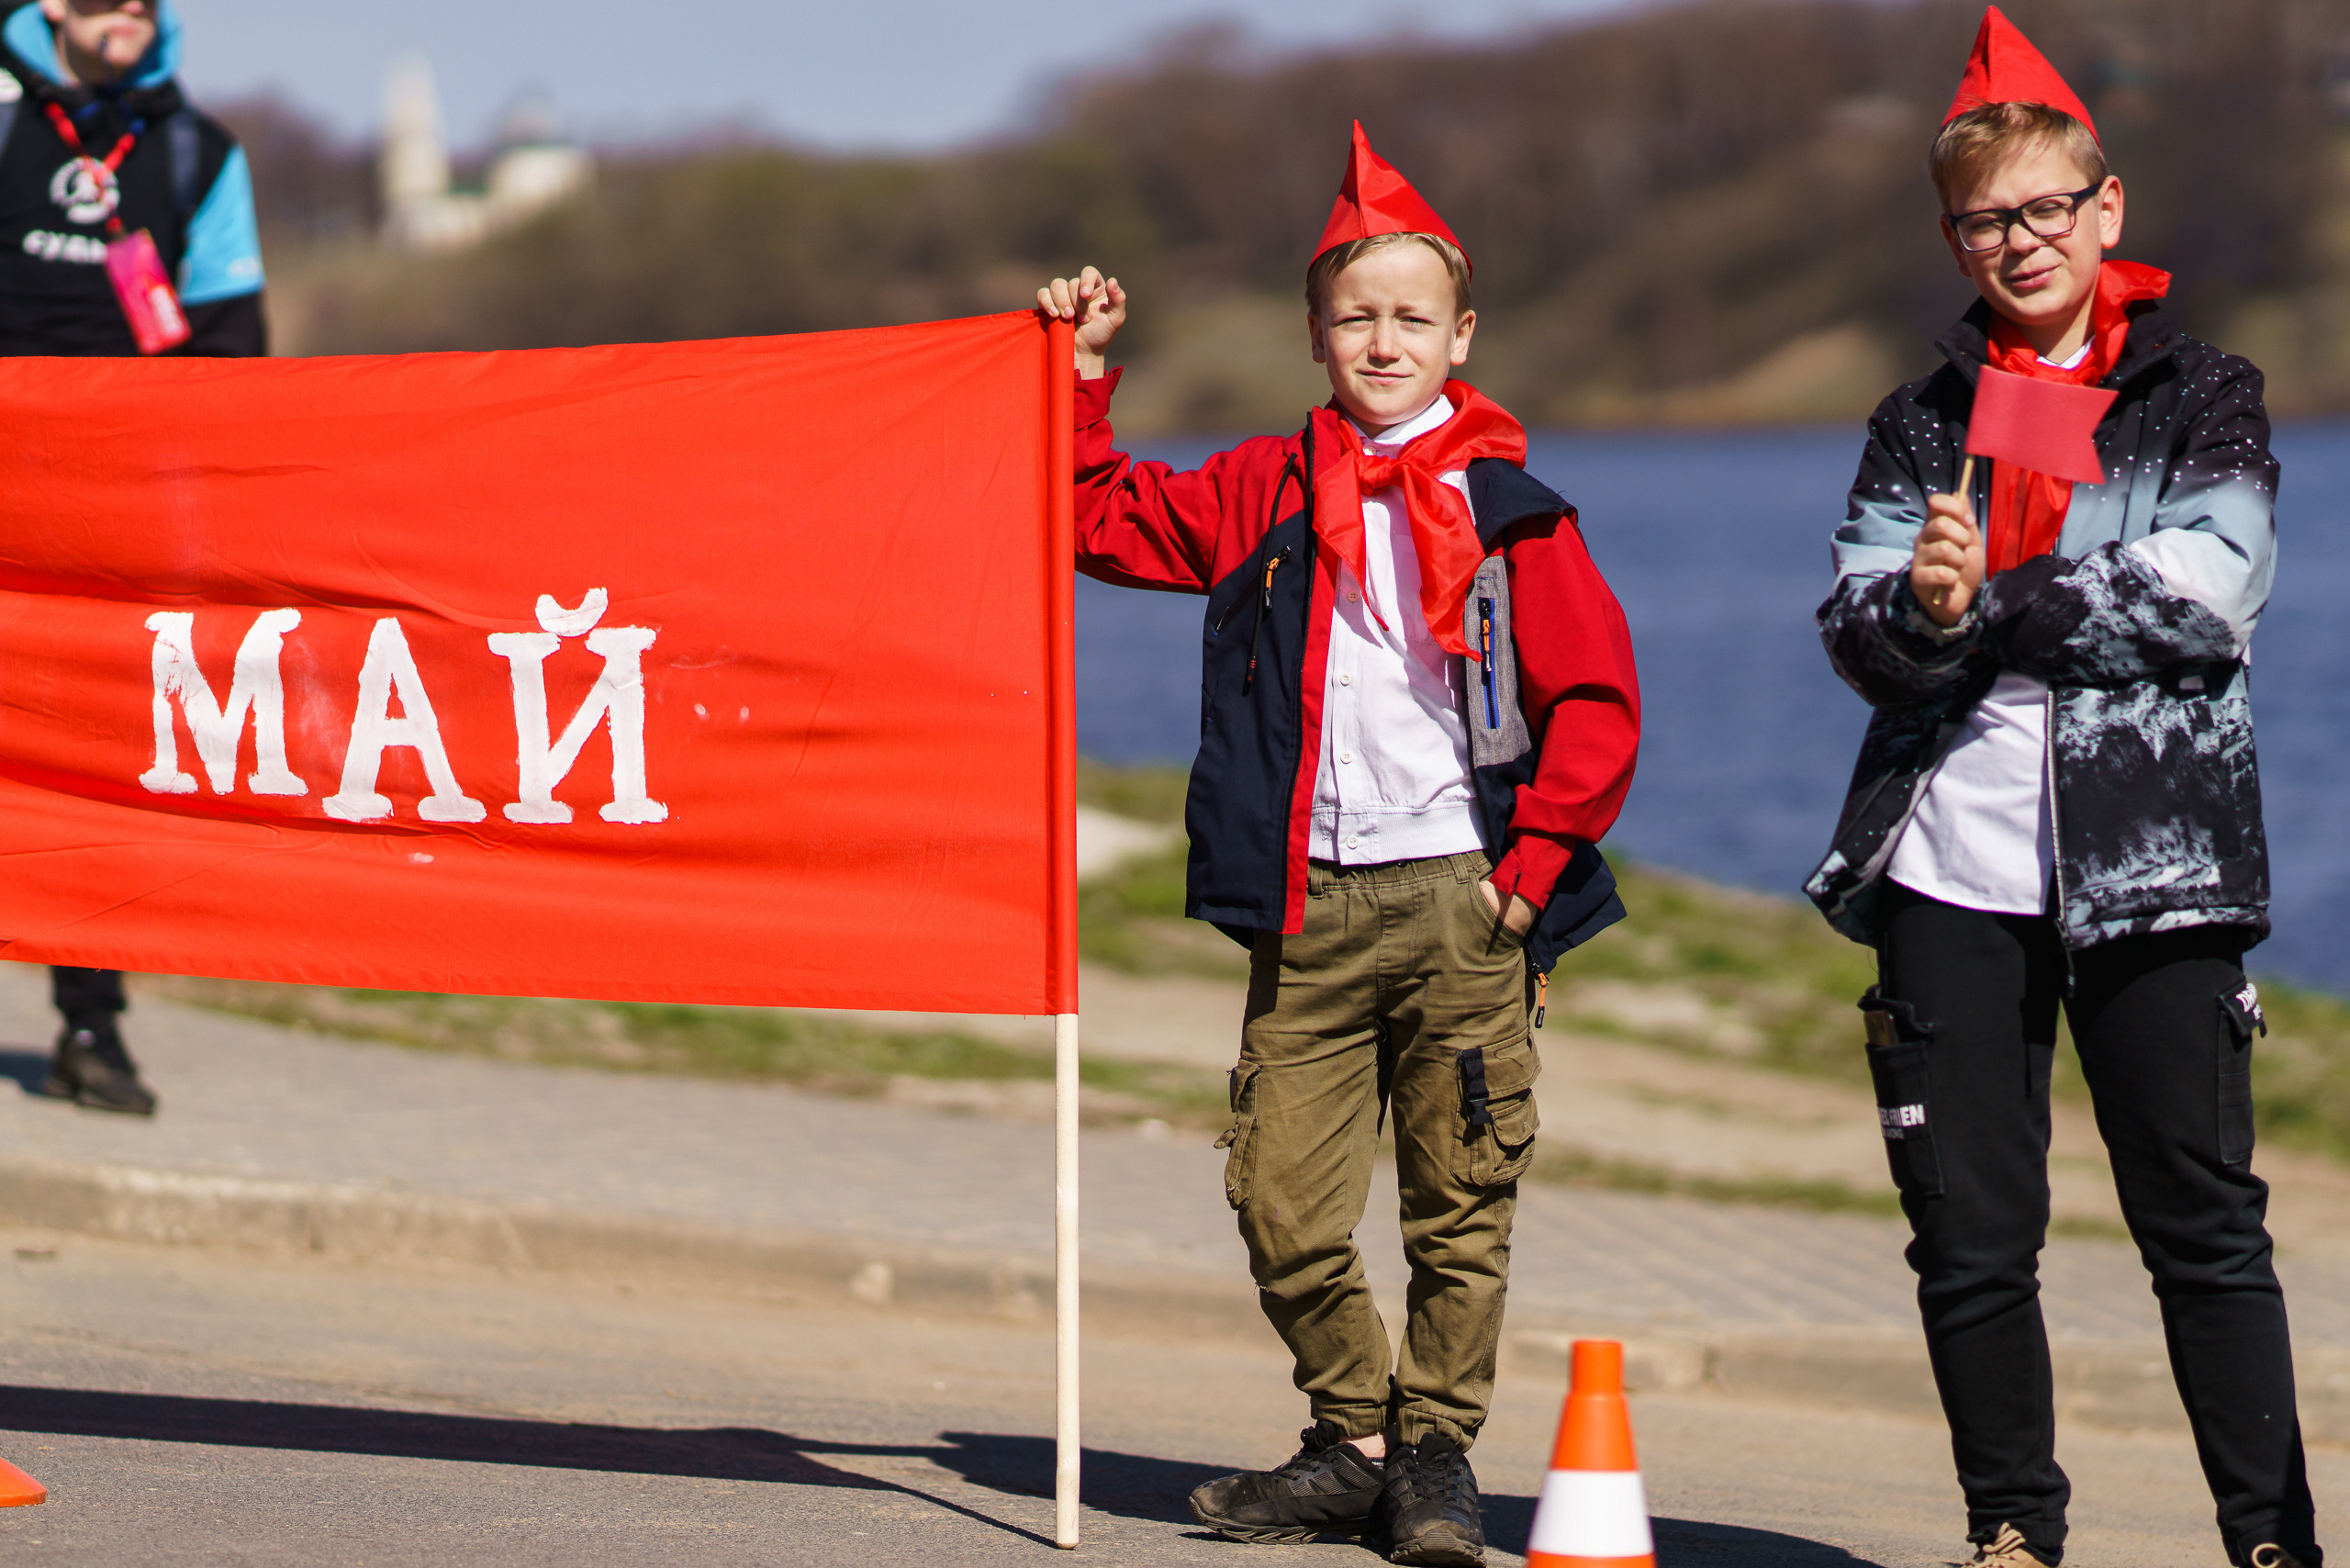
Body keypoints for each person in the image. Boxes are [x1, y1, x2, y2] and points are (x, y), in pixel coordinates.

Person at [1038, 123, 1639, 1566]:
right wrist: (1075, 386)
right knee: (1278, 1197)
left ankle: (1433, 1462)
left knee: (1460, 1203)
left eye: (1412, 317)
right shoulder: (1262, 490)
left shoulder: (1513, 511)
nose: (1384, 339)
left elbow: (1598, 705)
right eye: (1357, 314)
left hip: (1461, 897)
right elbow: (1095, 520)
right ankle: (1358, 1436)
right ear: (1317, 331)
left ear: (1460, 333)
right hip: (1303, 900)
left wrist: (1533, 874)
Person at [1806, 10, 2316, 1567]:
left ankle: (2272, 1541)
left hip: (2155, 863)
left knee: (2205, 1232)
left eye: (2043, 209)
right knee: (1969, 1238)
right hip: (1948, 864)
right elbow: (1854, 626)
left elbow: (2208, 592)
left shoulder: (2202, 390)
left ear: (2104, 211)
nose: (2017, 242)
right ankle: (2013, 1532)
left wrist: (1993, 597)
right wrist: (1920, 613)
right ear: (1952, 239)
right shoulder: (1920, 420)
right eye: (1983, 220)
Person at [0, 0, 270, 1114]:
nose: (135, 14)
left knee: (90, 778)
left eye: (151, 0)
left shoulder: (199, 149)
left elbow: (233, 342)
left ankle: (89, 1027)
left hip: (110, 521)